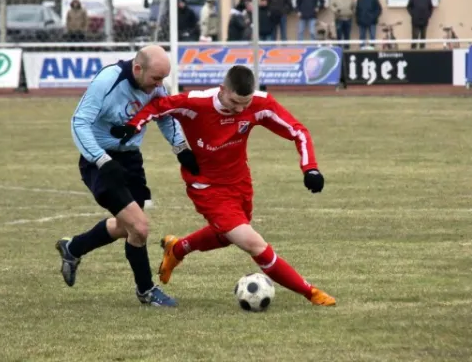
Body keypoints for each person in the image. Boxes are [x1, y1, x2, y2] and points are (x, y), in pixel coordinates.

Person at [112, 65, 336, 307]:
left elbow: (298, 131)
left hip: (240, 183)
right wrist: (134, 124)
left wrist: (310, 168)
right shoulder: (196, 103)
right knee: (253, 243)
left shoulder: (260, 104)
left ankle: (177, 249)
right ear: (222, 90)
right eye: (235, 102)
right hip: (205, 186)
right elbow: (158, 107)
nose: (240, 109)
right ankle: (310, 292)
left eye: (245, 103)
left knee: (228, 235)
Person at [55, 45, 199, 307]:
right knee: (140, 227)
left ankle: (73, 248)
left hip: (131, 159)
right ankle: (146, 291)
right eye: (156, 78)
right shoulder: (108, 80)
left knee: (126, 227)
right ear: (137, 69)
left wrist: (181, 149)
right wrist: (101, 160)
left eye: (163, 79)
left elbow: (165, 116)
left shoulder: (154, 85)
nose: (160, 85)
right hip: (99, 161)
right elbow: (79, 122)